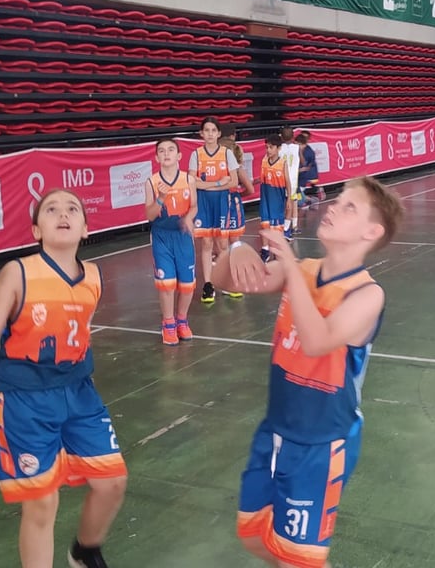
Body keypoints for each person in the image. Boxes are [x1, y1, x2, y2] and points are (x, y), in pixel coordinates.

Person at [213, 176, 404, 568]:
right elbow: (222, 280)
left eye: (349, 207)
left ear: (372, 231)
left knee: (296, 560)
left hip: (322, 443)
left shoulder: (367, 294)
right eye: (337, 200)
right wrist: (235, 250)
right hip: (276, 430)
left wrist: (288, 265)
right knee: (254, 535)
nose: (333, 207)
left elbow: (318, 340)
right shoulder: (302, 269)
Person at [0, 189, 127, 568]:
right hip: (24, 398)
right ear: (36, 230)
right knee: (42, 502)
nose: (62, 214)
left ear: (85, 228)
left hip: (79, 392)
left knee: (112, 482)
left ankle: (84, 551)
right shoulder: (17, 273)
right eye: (51, 209)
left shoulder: (94, 277)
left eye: (72, 209)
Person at [146, 139, 198, 345]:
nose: (166, 153)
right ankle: (168, 323)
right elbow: (150, 215)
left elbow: (194, 206)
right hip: (162, 236)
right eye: (161, 151)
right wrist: (160, 198)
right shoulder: (151, 182)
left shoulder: (188, 179)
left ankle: (182, 320)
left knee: (187, 285)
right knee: (166, 284)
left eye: (170, 150)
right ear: (156, 157)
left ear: (179, 156)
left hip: (183, 236)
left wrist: (189, 218)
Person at [189, 117, 240, 303]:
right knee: (207, 243)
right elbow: (192, 182)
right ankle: (208, 284)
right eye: (206, 130)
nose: (210, 134)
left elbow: (234, 182)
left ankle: (226, 281)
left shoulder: (227, 154)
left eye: (213, 130)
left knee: (223, 243)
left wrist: (206, 185)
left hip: (222, 202)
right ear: (201, 133)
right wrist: (218, 183)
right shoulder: (196, 155)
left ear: (218, 133)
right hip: (203, 203)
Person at [280, 126, 301, 241]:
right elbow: (302, 161)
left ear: (281, 137)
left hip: (280, 180)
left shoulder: (278, 148)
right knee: (290, 206)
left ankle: (279, 227)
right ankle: (287, 229)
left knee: (280, 206)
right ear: (293, 136)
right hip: (292, 182)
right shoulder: (297, 148)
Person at [295, 131, 325, 208]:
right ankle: (307, 200)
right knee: (295, 196)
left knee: (298, 197)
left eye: (300, 144)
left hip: (302, 179)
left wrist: (300, 170)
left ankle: (310, 200)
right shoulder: (294, 149)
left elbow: (305, 165)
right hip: (296, 178)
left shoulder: (309, 152)